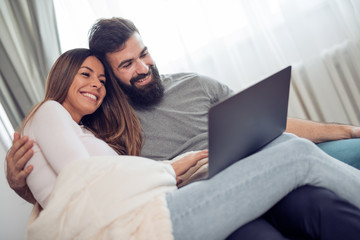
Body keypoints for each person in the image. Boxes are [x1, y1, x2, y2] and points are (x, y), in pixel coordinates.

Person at [5, 17, 360, 239]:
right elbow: (75, 189)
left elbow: (268, 121)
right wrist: (22, 183)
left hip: (253, 166)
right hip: (196, 194)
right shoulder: (103, 124)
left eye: (144, 53)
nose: (143, 67)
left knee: (319, 208)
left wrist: (343, 130)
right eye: (126, 65)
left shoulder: (192, 83)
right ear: (113, 79)